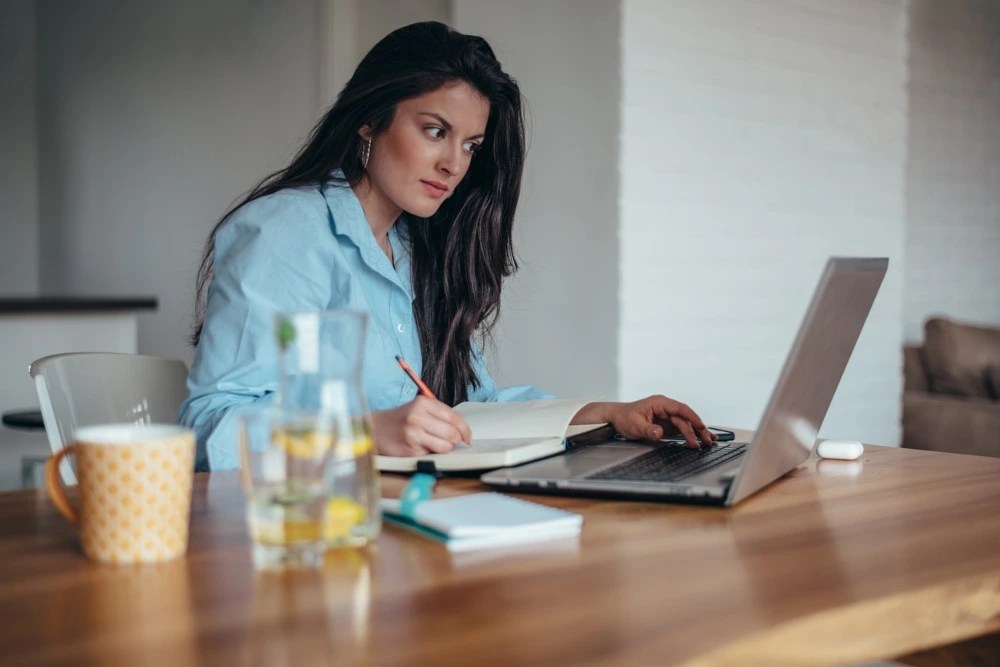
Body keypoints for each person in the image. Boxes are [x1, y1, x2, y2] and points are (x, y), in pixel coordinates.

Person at [180, 21, 715, 471]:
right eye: (434, 131)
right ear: (370, 119)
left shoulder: (417, 247)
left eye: (470, 145)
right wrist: (368, 432)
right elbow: (210, 428)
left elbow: (471, 407)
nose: (454, 164)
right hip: (303, 535)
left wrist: (609, 413)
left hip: (407, 521)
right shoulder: (284, 232)